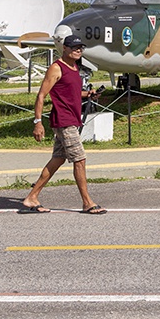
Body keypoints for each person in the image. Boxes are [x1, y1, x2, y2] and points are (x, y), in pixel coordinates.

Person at [20, 35, 106, 214]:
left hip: (71, 119)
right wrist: (37, 122)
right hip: (63, 120)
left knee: (58, 159)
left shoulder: (74, 67)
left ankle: (31, 197)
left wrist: (88, 94)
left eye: (80, 48)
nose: (78, 50)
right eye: (74, 47)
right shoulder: (56, 68)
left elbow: (72, 92)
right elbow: (41, 95)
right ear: (64, 48)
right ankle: (87, 202)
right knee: (80, 159)